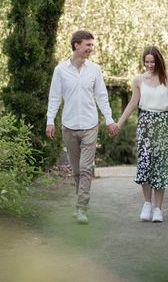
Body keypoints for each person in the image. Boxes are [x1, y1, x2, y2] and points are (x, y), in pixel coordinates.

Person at [46, 29, 119, 225]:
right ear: (76, 45)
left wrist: (109, 119)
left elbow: (101, 96)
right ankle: (80, 202)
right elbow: (54, 97)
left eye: (91, 45)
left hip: (90, 125)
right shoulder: (60, 70)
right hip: (69, 126)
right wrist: (50, 120)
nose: (90, 49)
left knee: (86, 168)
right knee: (77, 170)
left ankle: (81, 208)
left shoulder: (94, 70)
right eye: (88, 45)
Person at [116, 46, 168, 223]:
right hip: (146, 123)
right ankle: (147, 204)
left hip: (165, 124)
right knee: (145, 163)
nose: (150, 65)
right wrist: (119, 123)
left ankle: (158, 209)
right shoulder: (138, 80)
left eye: (152, 62)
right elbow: (132, 104)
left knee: (160, 166)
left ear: (158, 61)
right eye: (147, 62)